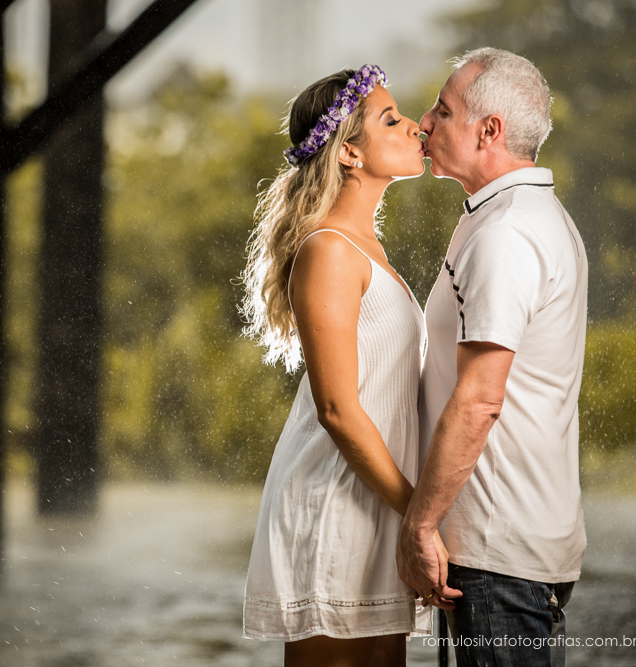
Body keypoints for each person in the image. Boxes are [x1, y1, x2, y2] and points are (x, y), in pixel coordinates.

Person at [241, 66, 452, 667]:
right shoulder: (330, 250)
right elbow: (335, 409)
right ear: (350, 153)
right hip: (336, 503)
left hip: (376, 501)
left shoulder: (365, 248)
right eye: (391, 119)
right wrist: (420, 517)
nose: (414, 127)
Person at [395, 47, 587, 667]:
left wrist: (419, 526)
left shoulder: (506, 232)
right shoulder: (517, 216)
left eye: (443, 111)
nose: (424, 122)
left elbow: (480, 398)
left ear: (489, 131)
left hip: (498, 557)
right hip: (505, 551)